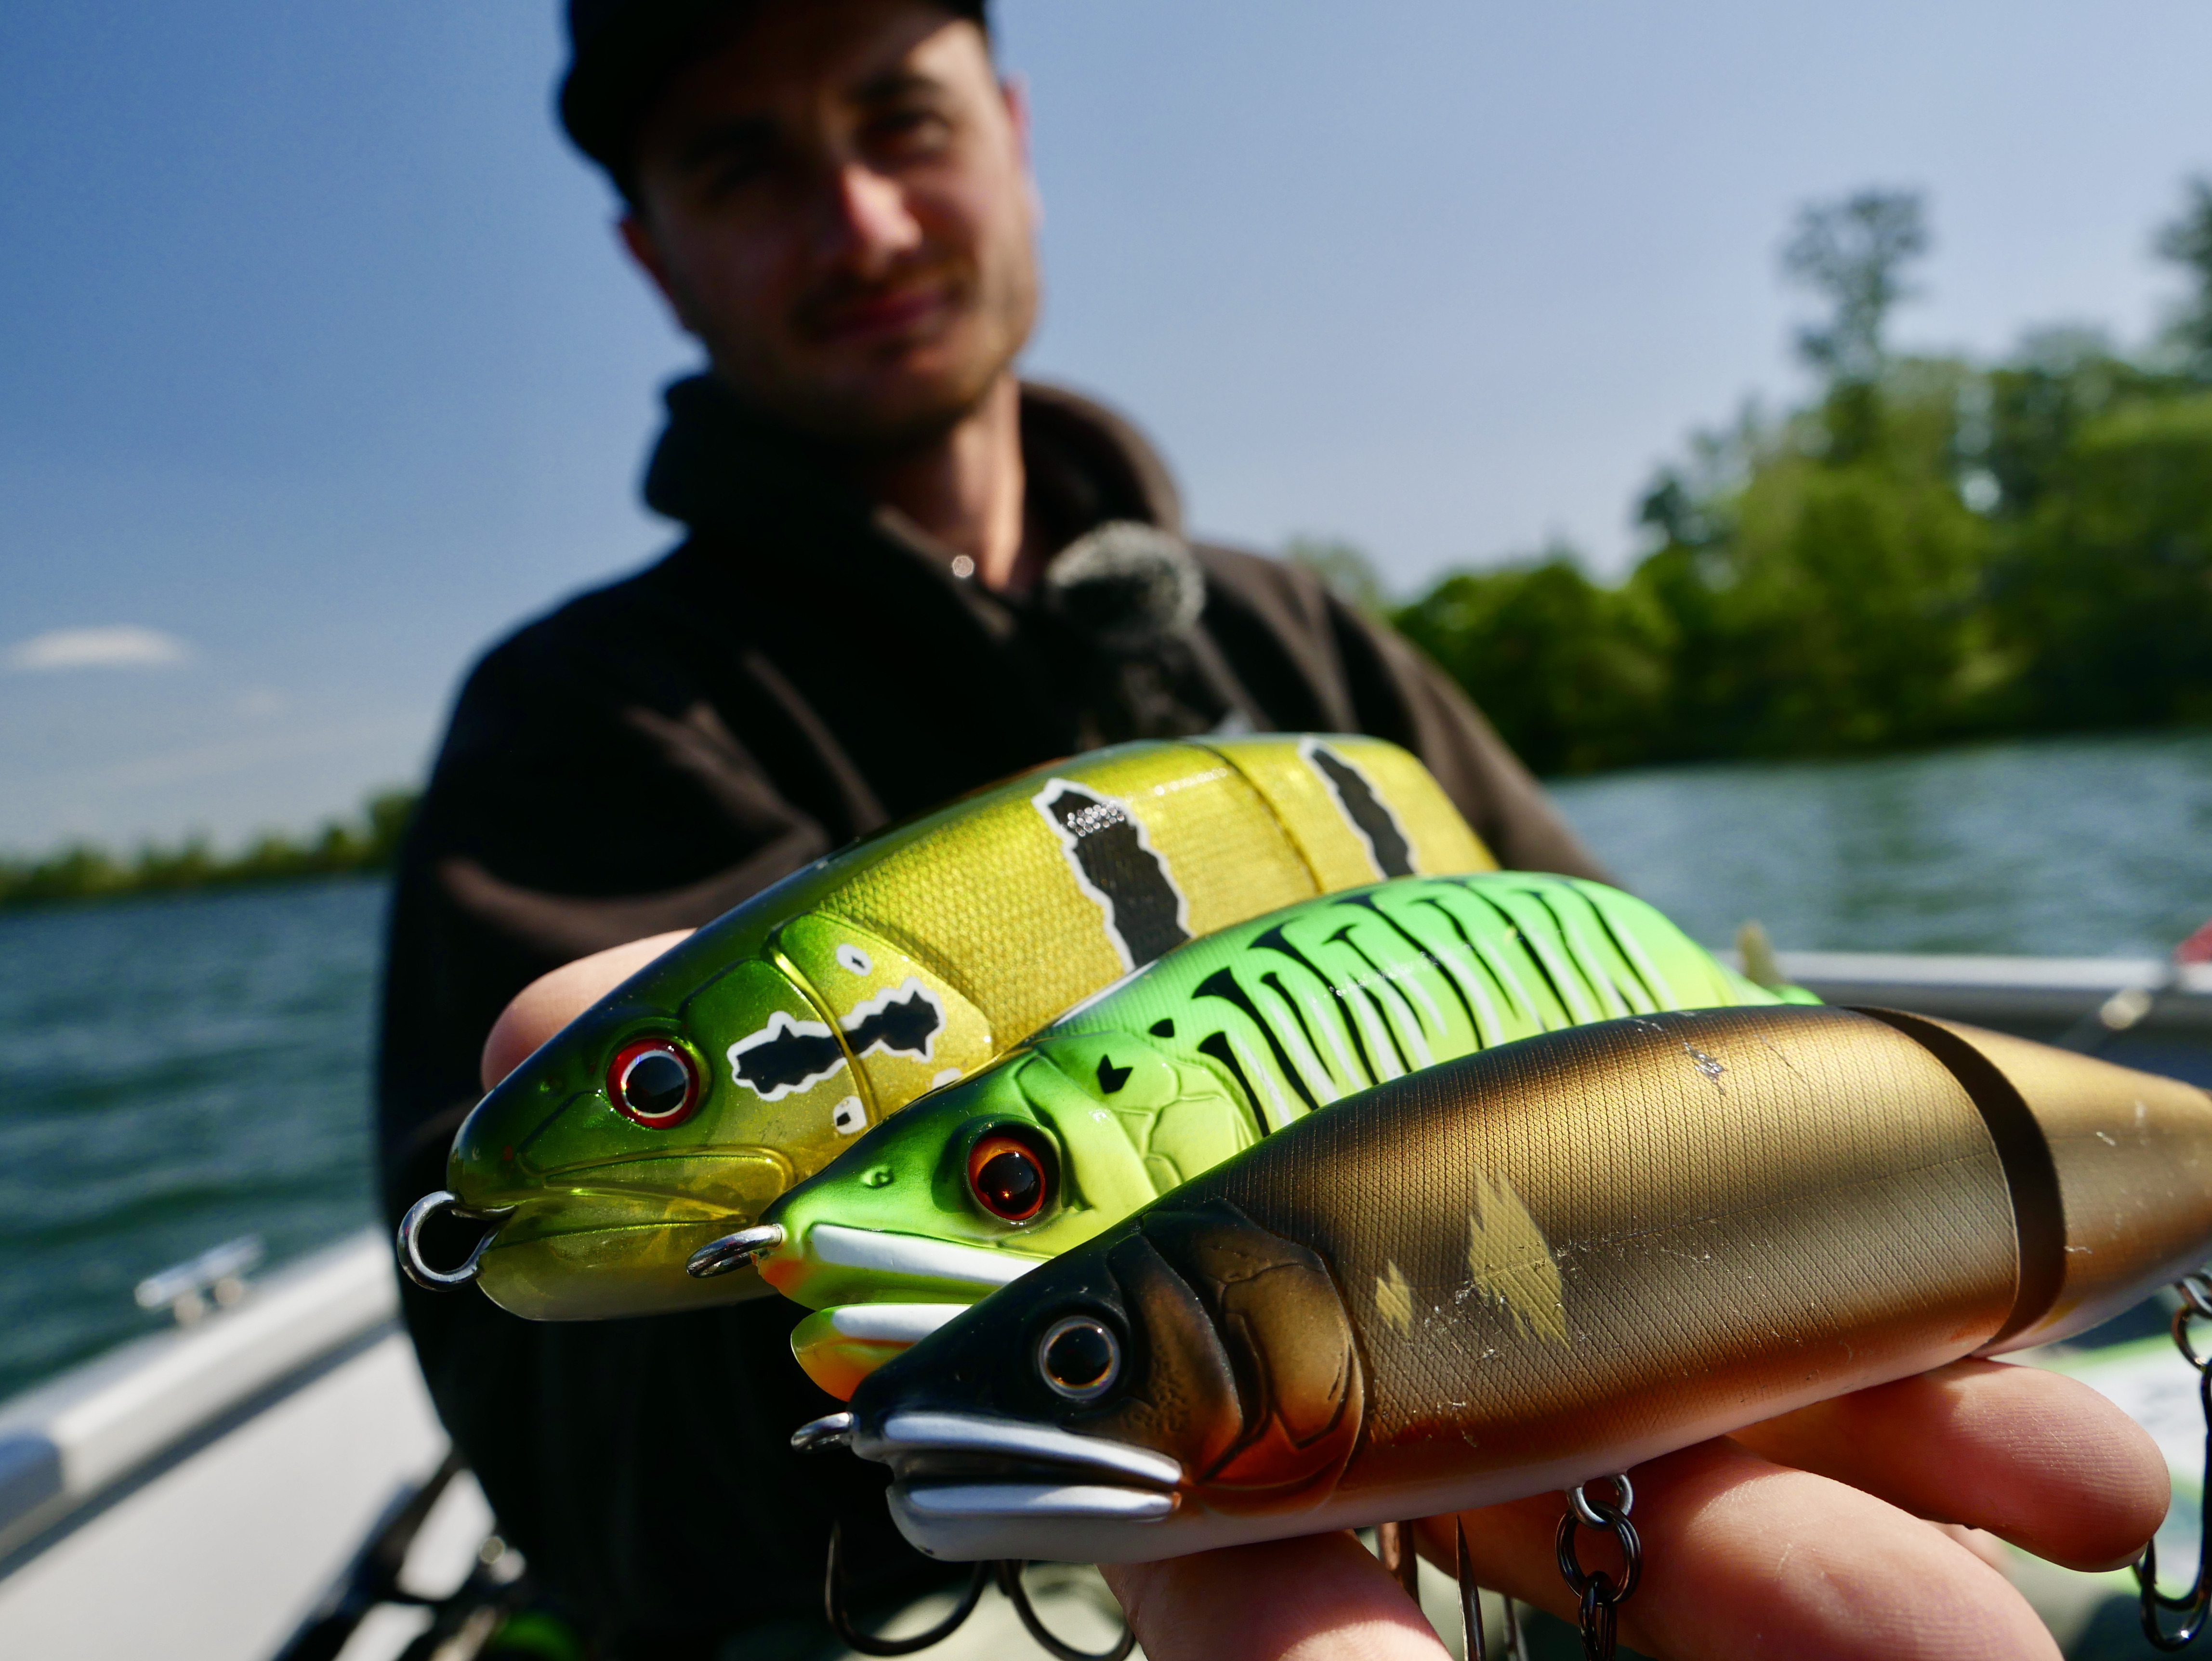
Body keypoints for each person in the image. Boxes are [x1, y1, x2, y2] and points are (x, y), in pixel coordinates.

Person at [378, 2, 2170, 1656]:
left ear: (1007, 134)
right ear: (647, 251)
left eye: (898, 122)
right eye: (743, 165)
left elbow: (1638, 1024)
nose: (858, 221)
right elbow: (605, 1477)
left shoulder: (1296, 641)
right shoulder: (584, 726)